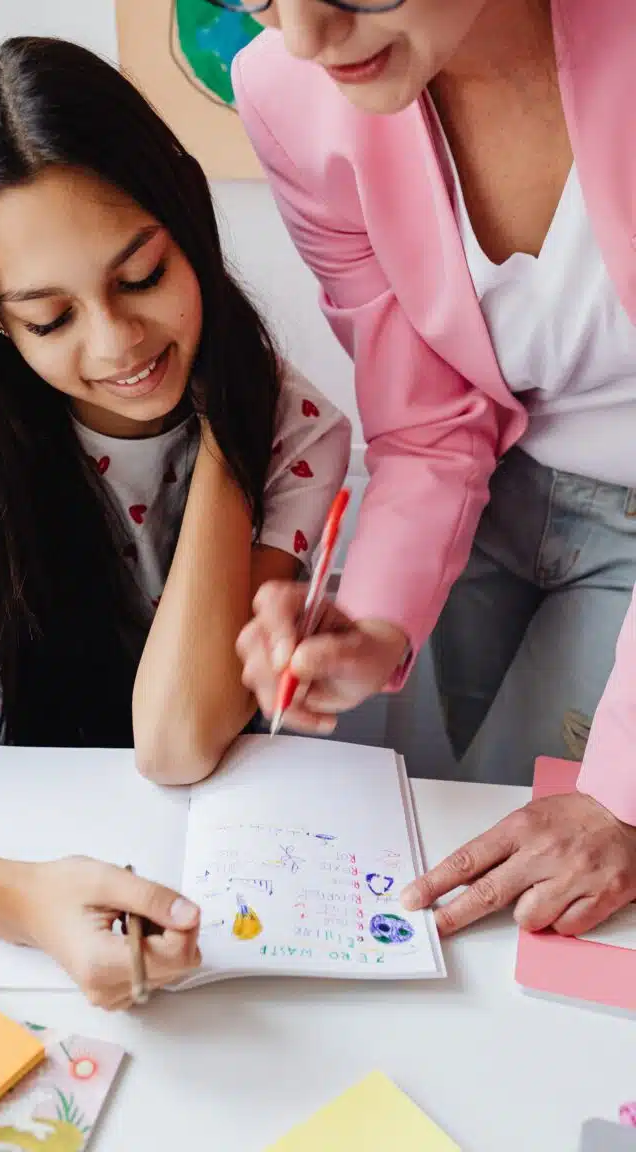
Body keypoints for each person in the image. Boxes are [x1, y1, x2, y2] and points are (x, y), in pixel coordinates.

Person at [0, 35, 350, 1006]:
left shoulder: (296, 430)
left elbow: (176, 740)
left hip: (189, 861)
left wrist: (228, 432)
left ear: (187, 219)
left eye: (141, 276)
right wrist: (20, 901)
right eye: (49, 319)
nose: (119, 342)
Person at [230, 0, 636, 938]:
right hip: (496, 491)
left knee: (551, 885)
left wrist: (620, 798)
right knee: (426, 822)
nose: (302, 38)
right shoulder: (287, 91)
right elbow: (425, 420)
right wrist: (372, 623)